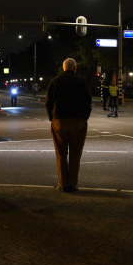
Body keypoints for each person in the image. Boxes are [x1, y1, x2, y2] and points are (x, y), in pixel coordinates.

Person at [45, 58, 92, 193]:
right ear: (75, 68)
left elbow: (48, 102)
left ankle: (63, 184)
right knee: (75, 154)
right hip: (78, 121)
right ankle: (72, 183)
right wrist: (84, 117)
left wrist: (52, 118)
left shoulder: (55, 81)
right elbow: (87, 100)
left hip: (59, 121)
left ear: (63, 68)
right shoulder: (81, 81)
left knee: (61, 154)